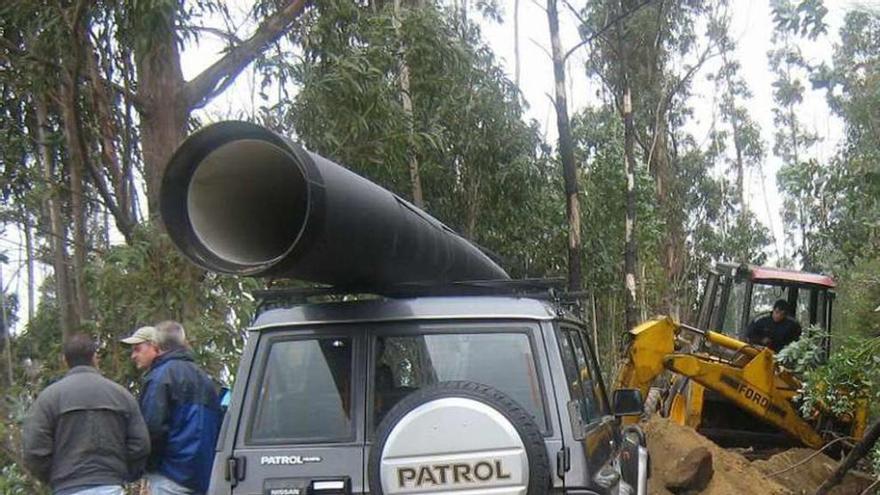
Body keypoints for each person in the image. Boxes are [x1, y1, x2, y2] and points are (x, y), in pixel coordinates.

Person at [23, 333, 150, 495]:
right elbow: (140, 444)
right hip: (111, 484)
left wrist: (55, 477)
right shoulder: (121, 395)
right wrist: (123, 473)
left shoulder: (48, 399)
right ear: (95, 358)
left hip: (67, 486)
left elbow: (34, 449)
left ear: (64, 360)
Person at [122, 321, 221, 495]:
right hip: (204, 477)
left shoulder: (160, 378)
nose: (133, 356)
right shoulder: (206, 380)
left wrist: (142, 467)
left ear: (155, 347)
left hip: (169, 475)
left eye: (138, 349)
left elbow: (152, 429)